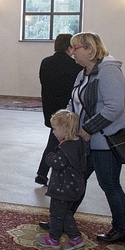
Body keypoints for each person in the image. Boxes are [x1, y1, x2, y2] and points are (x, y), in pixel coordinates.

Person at [67, 32, 125, 243]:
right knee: (78, 179)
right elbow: (75, 102)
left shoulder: (108, 71)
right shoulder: (84, 73)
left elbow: (114, 107)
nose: (71, 52)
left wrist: (87, 128)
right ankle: (62, 219)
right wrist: (66, 123)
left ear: (90, 49)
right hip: (87, 140)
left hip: (105, 140)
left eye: (75, 48)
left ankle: (122, 229)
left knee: (110, 184)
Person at [35, 110, 89, 250]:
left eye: (55, 129)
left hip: (62, 188)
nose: (53, 132)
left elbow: (58, 163)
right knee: (66, 213)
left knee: (57, 214)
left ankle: (54, 239)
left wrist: (49, 157)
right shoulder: (80, 142)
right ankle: (75, 238)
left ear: (64, 130)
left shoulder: (65, 147)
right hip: (76, 186)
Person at [35, 34, 81, 185]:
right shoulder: (75, 66)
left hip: (50, 107)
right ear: (69, 48)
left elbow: (43, 82)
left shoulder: (46, 62)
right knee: (65, 143)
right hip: (67, 110)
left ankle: (42, 173)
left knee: (53, 140)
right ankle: (63, 175)